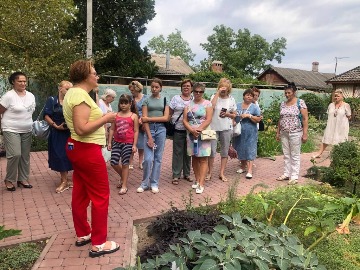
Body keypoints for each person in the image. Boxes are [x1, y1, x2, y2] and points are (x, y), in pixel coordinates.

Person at [63, 60, 119, 257]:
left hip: (77, 148)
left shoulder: (73, 93)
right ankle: (99, 243)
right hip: (86, 149)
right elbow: (81, 128)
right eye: (94, 73)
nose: (97, 76)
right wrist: (106, 118)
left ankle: (83, 233)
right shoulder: (79, 95)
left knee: (80, 193)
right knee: (101, 196)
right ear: (85, 75)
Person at [0, 72, 35, 192]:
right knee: (15, 154)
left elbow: (30, 112)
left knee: (25, 156)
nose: (23, 83)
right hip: (10, 128)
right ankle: (9, 179)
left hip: (27, 129)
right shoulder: (8, 96)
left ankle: (22, 179)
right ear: (13, 82)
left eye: (24, 81)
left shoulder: (31, 95)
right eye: (20, 81)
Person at [137, 78, 169, 194]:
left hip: (161, 129)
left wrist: (149, 118)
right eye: (152, 87)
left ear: (161, 88)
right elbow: (144, 120)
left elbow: (165, 118)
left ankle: (154, 182)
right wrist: (149, 137)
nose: (154, 89)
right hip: (149, 129)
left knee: (158, 158)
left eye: (157, 87)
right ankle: (145, 183)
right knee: (148, 159)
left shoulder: (165, 99)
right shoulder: (146, 100)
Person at [183, 83, 213, 194]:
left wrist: (199, 129)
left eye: (201, 91)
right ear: (193, 92)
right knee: (194, 157)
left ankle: (201, 183)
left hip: (204, 133)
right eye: (196, 91)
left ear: (203, 92)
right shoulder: (188, 105)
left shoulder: (207, 104)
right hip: (191, 134)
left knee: (204, 158)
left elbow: (208, 119)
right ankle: (197, 179)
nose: (198, 93)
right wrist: (192, 130)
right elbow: (185, 120)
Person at [276, 83, 308, 185]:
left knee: (295, 155)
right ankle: (286, 174)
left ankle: (294, 176)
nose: (287, 94)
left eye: (289, 92)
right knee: (286, 154)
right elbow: (280, 119)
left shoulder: (300, 103)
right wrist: (278, 132)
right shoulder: (283, 104)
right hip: (284, 132)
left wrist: (305, 133)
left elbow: (305, 118)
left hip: (295, 132)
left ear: (294, 92)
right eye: (285, 93)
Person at [44, 80, 73, 193]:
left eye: (70, 89)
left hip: (70, 133)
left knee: (70, 154)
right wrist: (56, 126)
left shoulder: (71, 101)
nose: (68, 91)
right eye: (67, 89)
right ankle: (64, 181)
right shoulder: (52, 100)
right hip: (57, 133)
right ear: (60, 88)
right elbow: (46, 115)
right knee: (59, 155)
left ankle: (66, 179)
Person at [108, 94, 139, 195]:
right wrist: (109, 142)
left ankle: (124, 185)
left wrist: (134, 145)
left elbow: (136, 131)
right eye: (121, 103)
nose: (123, 105)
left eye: (126, 103)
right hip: (116, 142)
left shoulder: (133, 116)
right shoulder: (116, 115)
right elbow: (112, 129)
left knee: (125, 164)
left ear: (130, 104)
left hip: (128, 143)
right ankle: (123, 177)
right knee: (113, 162)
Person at [208, 79, 236, 182]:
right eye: (222, 87)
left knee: (224, 151)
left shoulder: (231, 99)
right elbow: (211, 107)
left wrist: (228, 114)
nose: (224, 90)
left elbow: (235, 115)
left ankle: (221, 173)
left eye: (226, 88)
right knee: (211, 151)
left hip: (226, 128)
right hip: (213, 128)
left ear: (229, 89)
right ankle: (209, 172)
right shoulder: (214, 97)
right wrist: (217, 93)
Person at [312, 89, 351, 158]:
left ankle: (340, 156)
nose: (336, 97)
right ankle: (319, 153)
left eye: (338, 96)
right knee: (326, 139)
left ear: (342, 96)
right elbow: (329, 114)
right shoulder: (331, 105)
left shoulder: (346, 105)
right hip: (331, 125)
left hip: (341, 126)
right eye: (335, 96)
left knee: (341, 141)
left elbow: (349, 116)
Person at [169, 79, 193, 185]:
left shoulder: (194, 99)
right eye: (184, 86)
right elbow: (170, 113)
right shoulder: (175, 98)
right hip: (178, 129)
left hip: (190, 130)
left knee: (188, 152)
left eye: (188, 86)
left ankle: (187, 174)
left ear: (191, 88)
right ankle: (176, 174)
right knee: (177, 152)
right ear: (181, 88)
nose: (186, 87)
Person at [233, 89, 261, 179]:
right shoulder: (237, 105)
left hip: (250, 131)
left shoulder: (254, 107)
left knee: (250, 149)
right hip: (239, 131)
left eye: (251, 95)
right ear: (243, 96)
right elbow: (234, 117)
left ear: (253, 98)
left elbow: (258, 119)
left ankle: (249, 170)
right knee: (240, 147)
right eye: (247, 95)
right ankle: (242, 166)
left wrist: (249, 116)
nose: (249, 97)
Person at [128, 81, 146, 170]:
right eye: (130, 90)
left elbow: (147, 111)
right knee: (132, 142)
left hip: (142, 123)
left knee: (141, 143)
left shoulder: (145, 98)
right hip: (132, 122)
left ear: (137, 89)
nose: (131, 92)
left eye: (132, 90)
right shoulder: (131, 99)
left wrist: (142, 119)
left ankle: (140, 162)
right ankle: (131, 161)